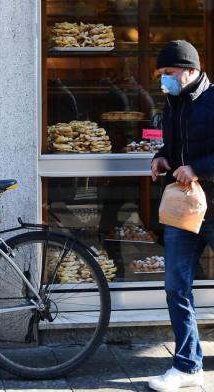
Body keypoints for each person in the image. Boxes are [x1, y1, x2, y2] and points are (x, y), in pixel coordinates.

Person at [149, 40, 214, 391]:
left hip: (213, 208)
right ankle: (188, 366)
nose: (165, 81)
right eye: (162, 75)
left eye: (170, 74)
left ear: (191, 70)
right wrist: (162, 157)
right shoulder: (172, 102)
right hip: (183, 210)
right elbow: (174, 146)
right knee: (176, 285)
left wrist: (198, 169)